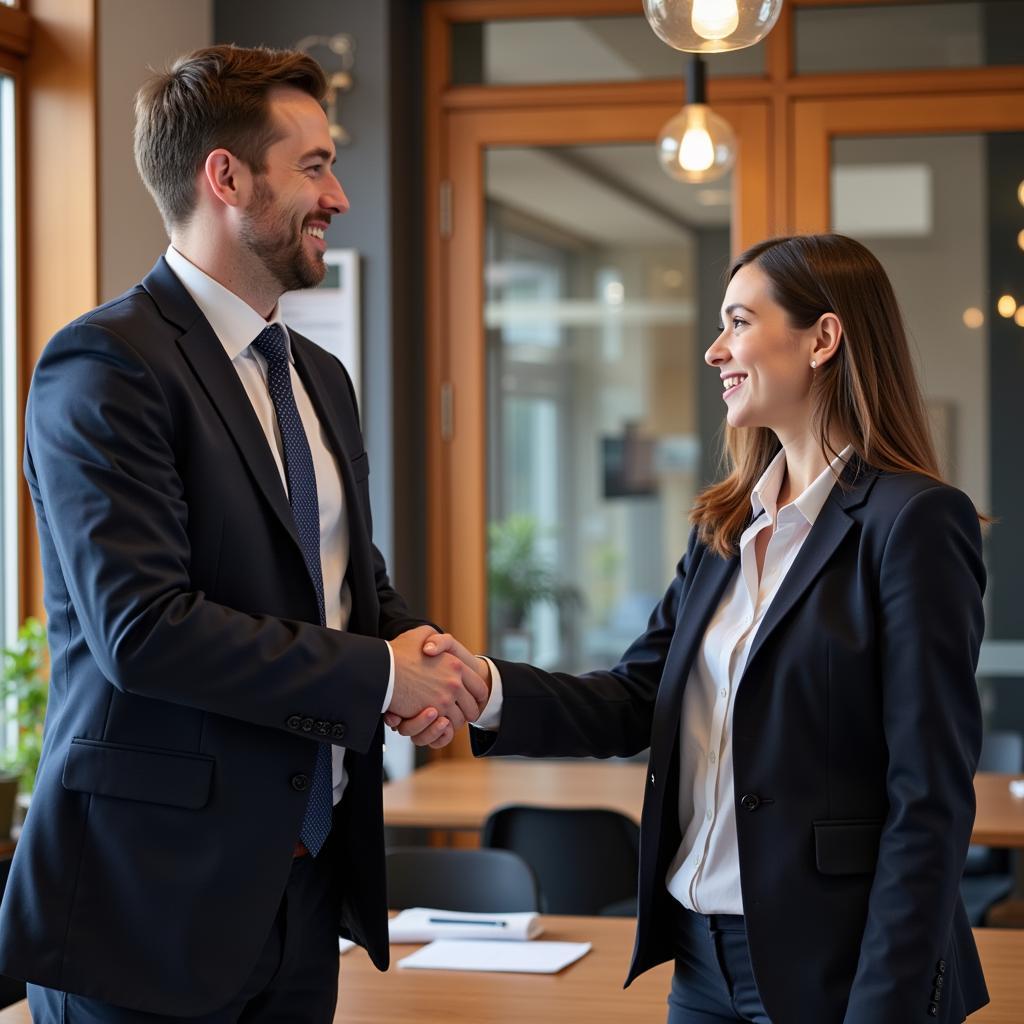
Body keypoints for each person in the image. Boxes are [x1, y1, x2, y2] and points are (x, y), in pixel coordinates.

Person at [0, 44, 487, 1023]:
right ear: (225, 176)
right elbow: (145, 629)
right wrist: (383, 677)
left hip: (300, 896)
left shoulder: (320, 376)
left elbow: (347, 591)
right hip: (141, 912)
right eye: (312, 165)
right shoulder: (105, 364)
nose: (338, 196)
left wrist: (427, 659)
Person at [393, 234, 990, 1023]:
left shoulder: (911, 522)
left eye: (739, 322)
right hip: (701, 962)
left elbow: (929, 799)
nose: (715, 351)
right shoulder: (727, 525)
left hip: (838, 963)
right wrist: (485, 687)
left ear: (823, 338)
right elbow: (636, 697)